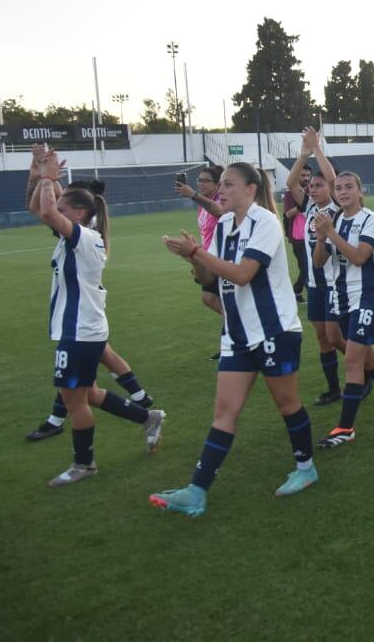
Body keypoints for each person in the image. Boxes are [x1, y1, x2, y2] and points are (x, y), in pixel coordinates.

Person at [150, 162, 315, 516]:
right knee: (224, 412)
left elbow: (243, 275)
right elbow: (209, 276)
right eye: (219, 184)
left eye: (228, 184)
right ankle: (197, 491)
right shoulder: (224, 225)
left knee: (288, 405)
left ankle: (306, 468)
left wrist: (197, 253)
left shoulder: (266, 222)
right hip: (237, 334)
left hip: (274, 330)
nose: (220, 190)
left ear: (251, 189)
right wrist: (192, 259)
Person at [30, 149, 164, 487]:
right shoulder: (79, 237)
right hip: (81, 329)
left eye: (63, 210)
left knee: (73, 399)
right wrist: (39, 173)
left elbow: (46, 208)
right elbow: (39, 207)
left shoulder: (83, 238)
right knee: (87, 393)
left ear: (79, 212)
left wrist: (47, 178)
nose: (55, 215)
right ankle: (148, 417)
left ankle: (84, 464)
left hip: (79, 331)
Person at [312, 171, 374, 445]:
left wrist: (330, 232)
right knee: (366, 357)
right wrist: (322, 238)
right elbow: (319, 263)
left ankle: (345, 428)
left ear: (360, 191)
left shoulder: (372, 220)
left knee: (353, 360)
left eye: (348, 187)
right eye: (339, 188)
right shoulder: (334, 221)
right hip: (341, 296)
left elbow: (359, 257)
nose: (343, 192)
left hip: (368, 297)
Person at [285, 128, 344, 404]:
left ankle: (368, 369)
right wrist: (303, 154)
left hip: (335, 284)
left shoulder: (335, 209)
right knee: (323, 338)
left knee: (336, 338)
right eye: (312, 186)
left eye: (318, 186)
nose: (313, 188)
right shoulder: (309, 208)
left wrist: (317, 149)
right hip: (315, 285)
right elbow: (291, 182)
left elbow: (332, 180)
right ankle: (334, 388)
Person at [175, 164, 227, 323]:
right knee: (209, 297)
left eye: (206, 181)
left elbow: (219, 211)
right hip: (209, 257)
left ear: (217, 185)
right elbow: (207, 235)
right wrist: (199, 261)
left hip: (222, 257)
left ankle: (238, 324)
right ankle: (236, 324)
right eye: (199, 180)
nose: (200, 183)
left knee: (210, 297)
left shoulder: (220, 199)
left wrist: (193, 195)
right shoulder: (202, 205)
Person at [283, 161, 313, 301]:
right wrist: (303, 204)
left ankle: (296, 291)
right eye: (302, 175)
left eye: (308, 175)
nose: (306, 178)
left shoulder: (313, 190)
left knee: (307, 267)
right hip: (298, 237)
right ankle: (309, 294)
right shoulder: (290, 194)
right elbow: (288, 214)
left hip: (312, 235)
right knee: (305, 267)